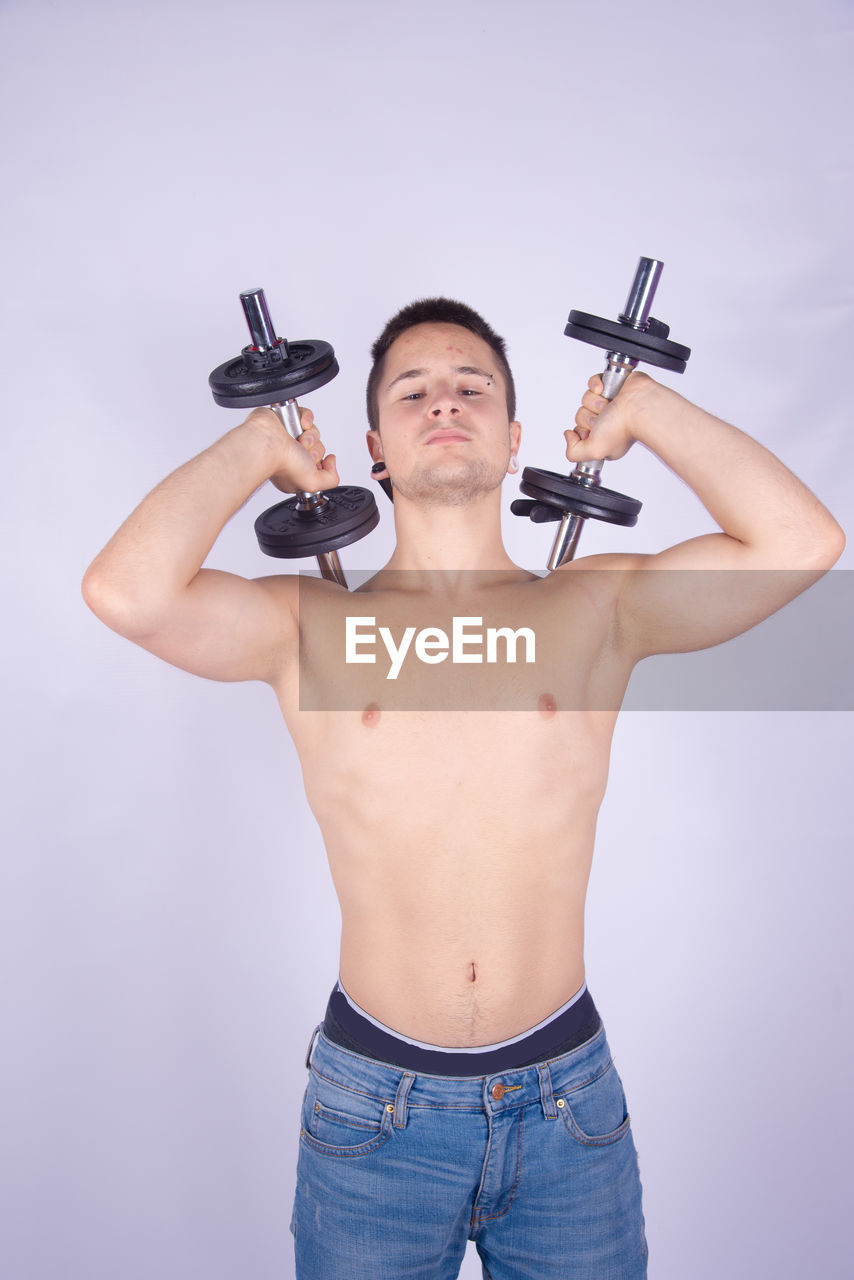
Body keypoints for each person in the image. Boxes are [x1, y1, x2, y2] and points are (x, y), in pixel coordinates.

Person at [82, 297, 845, 1279]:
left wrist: (642, 408)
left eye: (470, 386)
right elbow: (125, 592)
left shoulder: (592, 608)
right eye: (414, 391)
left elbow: (801, 541)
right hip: (372, 1113)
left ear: (514, 435)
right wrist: (256, 448)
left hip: (567, 1104)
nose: (444, 401)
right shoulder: (309, 628)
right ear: (374, 449)